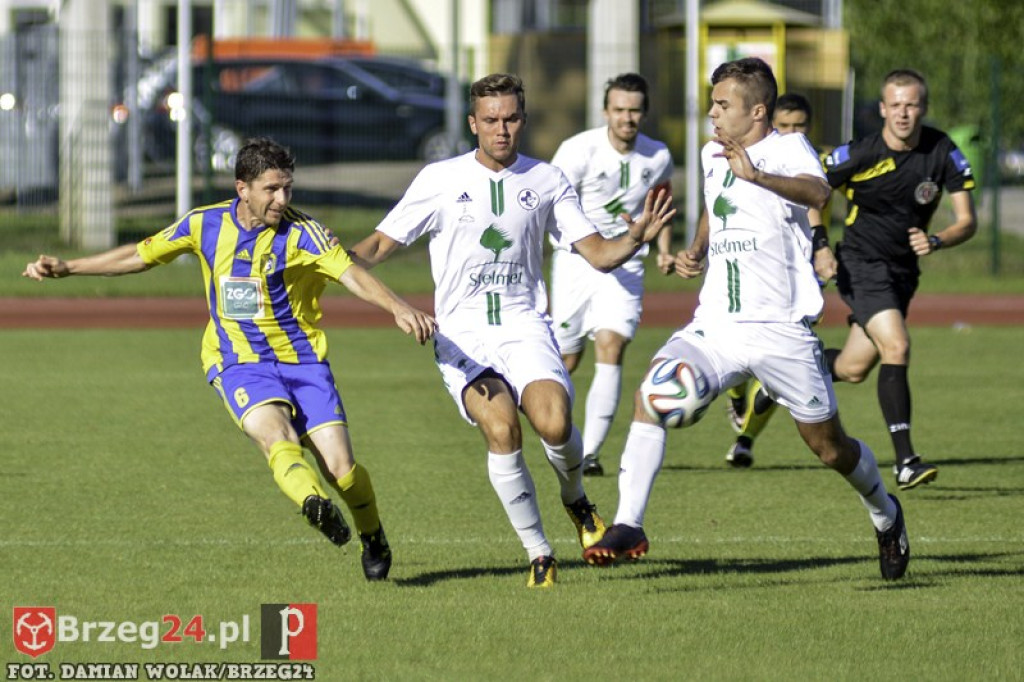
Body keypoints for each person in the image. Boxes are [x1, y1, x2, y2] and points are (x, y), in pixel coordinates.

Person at [22, 137, 437, 581]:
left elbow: (352, 274)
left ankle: (371, 532)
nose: (282, 199)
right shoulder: (205, 225)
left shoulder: (304, 233)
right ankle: (312, 503)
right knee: (276, 436)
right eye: (272, 189)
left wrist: (398, 307)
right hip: (238, 360)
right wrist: (70, 268)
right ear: (243, 188)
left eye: (287, 188)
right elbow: (140, 255)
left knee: (343, 470)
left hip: (302, 362)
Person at [582, 57, 910, 582]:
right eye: (712, 102)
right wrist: (696, 249)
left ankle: (885, 513)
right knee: (653, 394)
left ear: (757, 111)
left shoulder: (785, 147)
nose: (711, 112)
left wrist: (757, 175)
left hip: (780, 330)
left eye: (722, 104)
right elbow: (718, 201)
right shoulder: (715, 154)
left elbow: (819, 193)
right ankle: (628, 523)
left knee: (830, 449)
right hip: (718, 326)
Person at [348, 73, 675, 588]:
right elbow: (377, 247)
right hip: (462, 335)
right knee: (502, 429)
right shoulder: (439, 179)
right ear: (473, 123)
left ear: (524, 119)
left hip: (524, 325)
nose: (502, 129)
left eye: (512, 118)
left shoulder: (547, 180)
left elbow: (599, 254)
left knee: (554, 422)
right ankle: (539, 553)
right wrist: (327, 260)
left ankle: (577, 501)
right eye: (491, 120)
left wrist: (635, 236)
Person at [823, 68, 977, 490]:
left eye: (912, 104)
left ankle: (786, 373)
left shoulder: (941, 149)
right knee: (898, 344)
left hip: (902, 272)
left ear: (923, 107)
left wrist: (938, 240)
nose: (904, 113)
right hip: (860, 263)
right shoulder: (859, 154)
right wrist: (819, 244)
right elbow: (812, 191)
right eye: (896, 104)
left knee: (853, 369)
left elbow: (967, 221)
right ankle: (906, 459)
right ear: (882, 109)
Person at [548, 72, 675, 477]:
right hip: (576, 261)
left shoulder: (657, 156)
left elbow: (662, 203)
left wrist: (665, 250)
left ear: (644, 113)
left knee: (612, 345)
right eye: (619, 109)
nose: (627, 118)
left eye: (635, 110)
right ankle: (550, 431)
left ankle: (590, 455)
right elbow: (551, 202)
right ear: (606, 111)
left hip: (628, 262)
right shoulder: (577, 150)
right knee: (566, 359)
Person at [723, 92, 838, 468]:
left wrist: (822, 248)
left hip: (797, 272)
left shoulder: (811, 160)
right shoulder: (750, 155)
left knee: (781, 354)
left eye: (798, 126)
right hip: (751, 265)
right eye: (784, 125)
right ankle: (738, 394)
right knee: (739, 343)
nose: (791, 132)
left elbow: (816, 206)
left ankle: (745, 439)